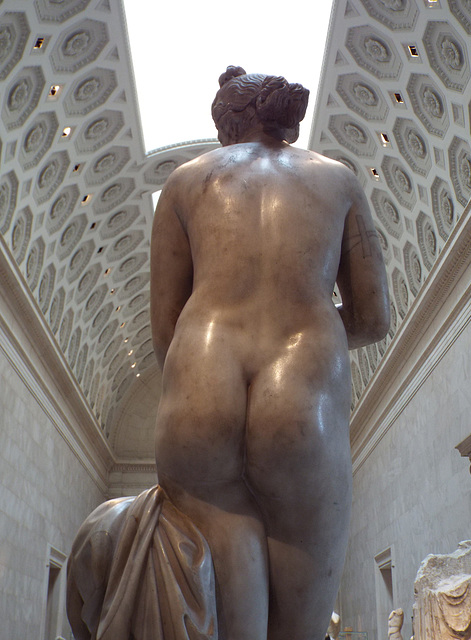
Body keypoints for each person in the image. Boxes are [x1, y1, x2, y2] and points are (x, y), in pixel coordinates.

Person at [150, 66, 390, 640]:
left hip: (202, 375)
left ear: (228, 121)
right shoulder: (339, 181)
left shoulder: (185, 182)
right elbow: (373, 318)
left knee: (228, 623)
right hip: (303, 386)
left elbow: (166, 330)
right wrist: (301, 320)